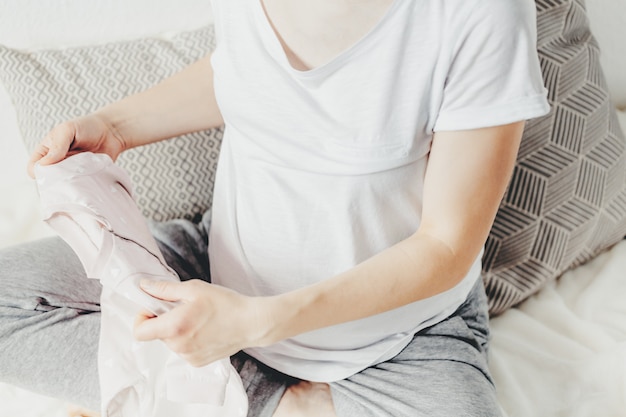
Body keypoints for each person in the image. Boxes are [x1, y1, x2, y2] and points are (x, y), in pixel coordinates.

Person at [0, 0, 550, 416]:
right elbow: (245, 70)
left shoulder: (480, 13)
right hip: (221, 267)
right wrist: (116, 127)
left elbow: (447, 247)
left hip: (397, 337)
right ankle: (274, 400)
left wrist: (256, 323)